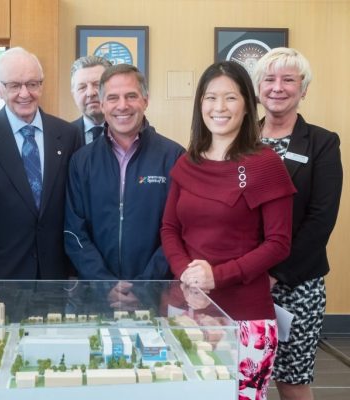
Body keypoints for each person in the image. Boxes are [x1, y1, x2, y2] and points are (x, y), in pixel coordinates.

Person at [160, 61, 296, 400]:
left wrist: (216, 276)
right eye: (210, 97)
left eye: (230, 98)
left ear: (247, 106)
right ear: (200, 105)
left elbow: (279, 243)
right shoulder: (188, 161)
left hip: (245, 317)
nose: (219, 107)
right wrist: (188, 275)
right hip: (187, 310)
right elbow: (169, 228)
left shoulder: (265, 164)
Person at [252, 47, 343, 400]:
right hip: (242, 280)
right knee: (242, 374)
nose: (278, 87)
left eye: (289, 79)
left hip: (296, 284)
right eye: (269, 79)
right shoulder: (239, 140)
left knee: (292, 380)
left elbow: (321, 219)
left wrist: (275, 274)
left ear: (303, 89)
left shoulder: (322, 143)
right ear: (258, 87)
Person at [64, 64, 184, 298]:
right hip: (95, 297)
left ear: (145, 100)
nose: (122, 106)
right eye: (113, 98)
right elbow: (74, 232)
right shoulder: (81, 161)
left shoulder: (174, 157)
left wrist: (143, 287)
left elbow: (179, 230)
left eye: (131, 96)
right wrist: (105, 284)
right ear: (102, 104)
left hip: (155, 295)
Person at [0, 47, 81, 286]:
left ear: (42, 85)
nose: (25, 93)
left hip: (56, 275)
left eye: (32, 84)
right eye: (15, 85)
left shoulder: (68, 135)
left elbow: (75, 207)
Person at [70, 55, 113, 144]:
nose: (90, 93)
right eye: (82, 87)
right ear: (74, 94)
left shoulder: (131, 133)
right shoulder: (63, 136)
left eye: (97, 85)